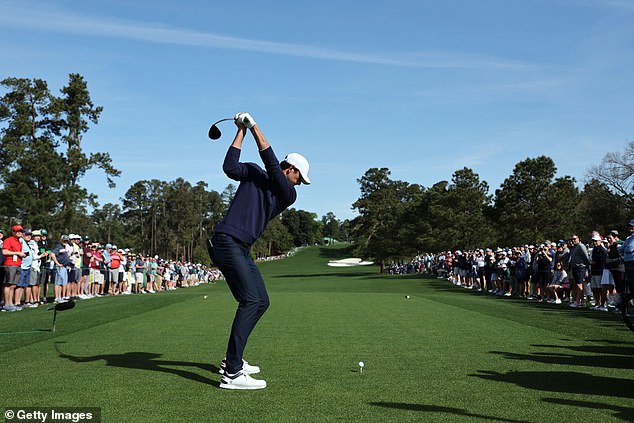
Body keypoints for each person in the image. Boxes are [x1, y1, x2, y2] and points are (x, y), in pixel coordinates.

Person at [208, 112, 310, 390]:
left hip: (240, 248)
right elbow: (230, 167)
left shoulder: (287, 194)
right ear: (292, 169)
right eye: (300, 177)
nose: (300, 183)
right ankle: (232, 372)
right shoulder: (254, 172)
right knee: (251, 301)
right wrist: (243, 130)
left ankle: (234, 360)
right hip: (227, 242)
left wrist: (254, 128)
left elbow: (271, 165)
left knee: (261, 301)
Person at [2, 225, 26, 312]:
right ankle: (6, 304)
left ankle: (10, 303)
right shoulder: (8, 240)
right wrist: (18, 253)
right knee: (8, 284)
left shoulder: (19, 242)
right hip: (10, 265)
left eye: (20, 231)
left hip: (18, 264)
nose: (19, 232)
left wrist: (21, 254)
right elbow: (4, 251)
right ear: (13, 232)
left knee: (13, 285)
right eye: (17, 231)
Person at [568, 234, 590, 308]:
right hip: (575, 267)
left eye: (574, 239)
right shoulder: (574, 247)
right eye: (572, 239)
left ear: (579, 238)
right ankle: (581, 302)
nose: (573, 240)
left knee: (579, 284)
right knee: (577, 284)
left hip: (580, 267)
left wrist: (585, 266)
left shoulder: (581, 246)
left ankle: (578, 302)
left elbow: (586, 257)